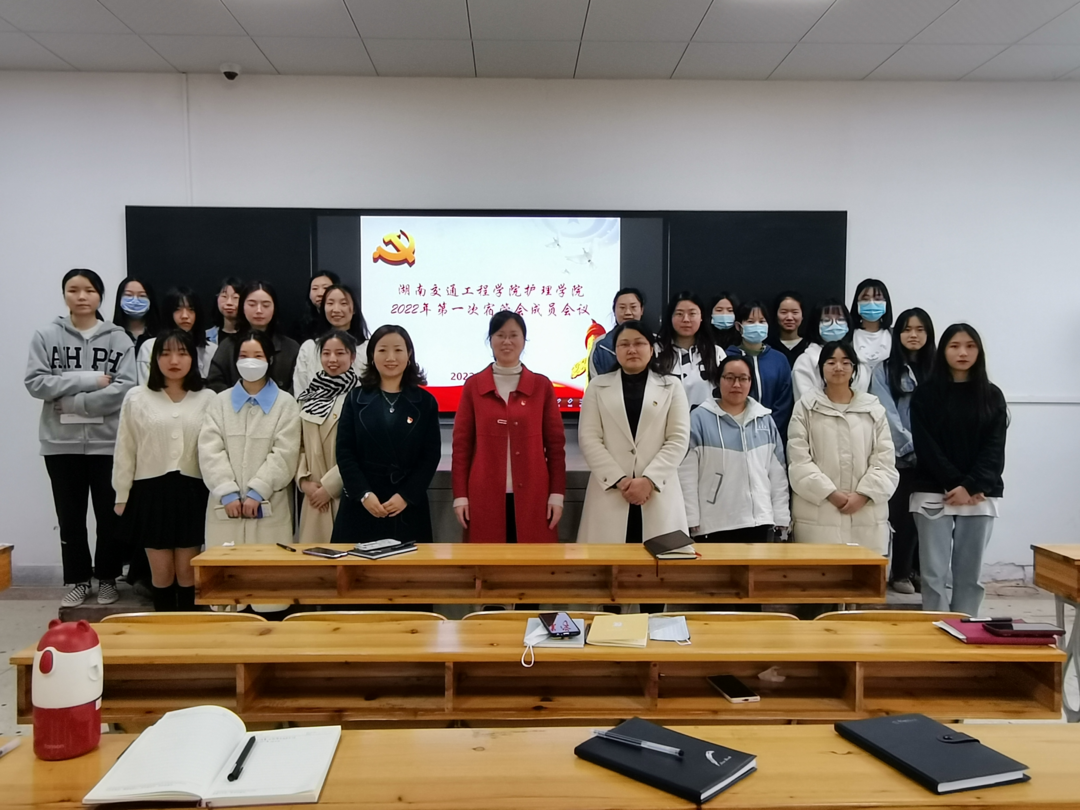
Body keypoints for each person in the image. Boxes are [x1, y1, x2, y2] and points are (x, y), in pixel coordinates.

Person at [25, 269, 136, 607]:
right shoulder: (46, 335)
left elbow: (126, 387)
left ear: (100, 295)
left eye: (89, 290)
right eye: (73, 290)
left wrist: (76, 402)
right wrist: (88, 380)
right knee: (70, 518)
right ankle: (77, 579)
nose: (82, 296)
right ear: (64, 295)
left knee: (109, 516)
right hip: (60, 444)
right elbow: (36, 382)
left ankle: (107, 578)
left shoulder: (118, 338)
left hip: (107, 444)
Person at [113, 329, 215, 612]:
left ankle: (189, 627)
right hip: (150, 493)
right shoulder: (137, 397)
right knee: (161, 574)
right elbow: (125, 448)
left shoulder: (208, 398)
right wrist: (121, 494)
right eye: (166, 353)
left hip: (193, 492)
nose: (174, 360)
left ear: (193, 358)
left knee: (187, 572)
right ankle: (164, 627)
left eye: (182, 353)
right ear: (155, 359)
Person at [910, 324, 1007, 616]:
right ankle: (936, 632)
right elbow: (926, 446)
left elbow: (994, 448)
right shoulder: (925, 394)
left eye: (970, 346)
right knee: (933, 574)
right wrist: (955, 483)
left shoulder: (991, 395)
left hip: (979, 494)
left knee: (969, 576)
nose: (962, 352)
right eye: (954, 346)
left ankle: (966, 629)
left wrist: (972, 485)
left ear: (979, 351)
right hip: (933, 491)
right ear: (943, 351)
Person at [452, 312, 566, 543]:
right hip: (483, 494)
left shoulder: (541, 386)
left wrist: (557, 494)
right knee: (487, 559)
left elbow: (555, 447)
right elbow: (461, 447)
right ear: (490, 340)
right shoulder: (474, 386)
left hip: (534, 495)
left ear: (524, 340)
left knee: (533, 559)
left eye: (514, 335)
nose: (507, 341)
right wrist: (460, 496)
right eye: (500, 335)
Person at [577, 320, 690, 544]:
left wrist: (649, 480)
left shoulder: (671, 386)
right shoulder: (597, 387)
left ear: (651, 349)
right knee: (606, 562)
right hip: (611, 491)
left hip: (657, 492)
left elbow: (678, 439)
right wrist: (620, 481)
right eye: (624, 344)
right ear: (615, 350)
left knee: (662, 561)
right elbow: (589, 439)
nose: (631, 349)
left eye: (639, 343)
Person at [333, 326, 442, 544]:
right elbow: (345, 452)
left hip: (407, 506)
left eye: (398, 350)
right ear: (372, 356)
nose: (391, 357)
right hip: (363, 504)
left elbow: (430, 456)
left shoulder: (425, 402)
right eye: (382, 350)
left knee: (407, 565)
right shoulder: (355, 399)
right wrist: (363, 494)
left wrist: (406, 496)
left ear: (409, 355)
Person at [787, 342, 898, 554]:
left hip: (866, 514)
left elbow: (885, 460)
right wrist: (831, 493)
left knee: (865, 573)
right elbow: (798, 460)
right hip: (819, 512)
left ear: (854, 368)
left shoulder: (873, 408)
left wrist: (863, 494)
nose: (838, 367)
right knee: (819, 571)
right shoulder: (806, 407)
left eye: (846, 362)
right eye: (831, 362)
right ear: (821, 368)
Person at [198, 330, 301, 551]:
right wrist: (226, 491)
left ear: (269, 359)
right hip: (225, 508)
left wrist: (258, 491)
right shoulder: (219, 402)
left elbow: (285, 454)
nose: (250, 362)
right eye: (243, 356)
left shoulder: (286, 404)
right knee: (223, 567)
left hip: (269, 506)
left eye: (258, 356)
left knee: (267, 566)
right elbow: (209, 450)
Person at [679, 355, 789, 542]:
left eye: (743, 378)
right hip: (714, 523)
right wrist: (690, 516)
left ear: (750, 382)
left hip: (759, 521)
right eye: (729, 378)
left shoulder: (764, 419)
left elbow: (777, 474)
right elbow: (686, 474)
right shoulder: (698, 419)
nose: (736, 384)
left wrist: (781, 515)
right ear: (718, 380)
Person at [870, 308, 936, 595]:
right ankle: (900, 572)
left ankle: (923, 571)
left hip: (936, 459)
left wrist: (935, 452)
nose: (913, 335)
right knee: (903, 517)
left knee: (932, 516)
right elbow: (887, 415)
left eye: (920, 329)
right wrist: (912, 447)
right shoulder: (884, 370)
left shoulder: (939, 370)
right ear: (897, 334)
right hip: (903, 458)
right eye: (907, 329)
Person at [294, 330, 360, 544]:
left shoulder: (361, 397)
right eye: (326, 353)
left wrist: (330, 487)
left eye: (340, 353)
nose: (332, 359)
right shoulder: (307, 397)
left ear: (352, 357)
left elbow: (362, 450)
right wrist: (304, 481)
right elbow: (298, 444)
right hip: (313, 496)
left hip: (346, 492)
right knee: (313, 559)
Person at [206, 281, 301, 394]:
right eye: (252, 304)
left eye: (266, 305)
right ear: (242, 306)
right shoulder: (228, 345)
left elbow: (298, 386)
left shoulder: (290, 347)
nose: (259, 310)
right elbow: (214, 382)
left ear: (274, 308)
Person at [726, 300, 793, 438]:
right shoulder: (727, 358)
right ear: (738, 326)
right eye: (750, 322)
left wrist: (768, 429)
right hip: (734, 432)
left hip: (773, 433)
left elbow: (785, 401)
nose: (757, 325)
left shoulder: (779, 359)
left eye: (762, 321)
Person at [293, 283, 369, 395]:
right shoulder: (310, 348)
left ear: (354, 309)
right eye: (330, 303)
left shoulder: (367, 349)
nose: (336, 309)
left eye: (343, 303)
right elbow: (300, 391)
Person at [791, 298, 870, 402]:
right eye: (826, 320)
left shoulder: (860, 360)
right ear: (815, 324)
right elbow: (806, 402)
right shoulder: (805, 362)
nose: (834, 324)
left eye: (840, 319)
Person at [655, 291, 723, 410]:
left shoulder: (716, 353)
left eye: (692, 314)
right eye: (679, 314)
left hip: (705, 420)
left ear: (701, 317)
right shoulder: (654, 351)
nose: (686, 319)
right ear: (670, 317)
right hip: (664, 420)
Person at [136, 287, 217, 385]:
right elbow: (146, 386)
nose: (185, 316)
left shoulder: (211, 350)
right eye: (177, 309)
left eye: (191, 309)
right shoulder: (150, 347)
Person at [588, 287, 645, 379]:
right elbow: (596, 384)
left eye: (633, 307)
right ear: (614, 311)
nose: (628, 312)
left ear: (641, 310)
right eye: (622, 308)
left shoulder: (655, 343)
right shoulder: (602, 346)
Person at [851, 278, 894, 376]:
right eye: (865, 299)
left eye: (878, 299)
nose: (871, 303)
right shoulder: (847, 336)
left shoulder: (895, 335)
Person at [112, 276, 160, 353]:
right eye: (128, 295)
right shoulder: (111, 335)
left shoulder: (161, 335)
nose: (135, 301)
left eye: (142, 296)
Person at [766, 290, 811, 366]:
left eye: (795, 312)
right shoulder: (768, 347)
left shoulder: (810, 346)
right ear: (776, 315)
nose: (789, 318)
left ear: (802, 316)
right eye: (784, 312)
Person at [295, 271, 341, 342]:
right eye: (315, 288)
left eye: (325, 288)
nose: (320, 294)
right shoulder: (300, 326)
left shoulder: (345, 321)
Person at [206, 277, 241, 345]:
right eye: (224, 296)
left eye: (235, 297)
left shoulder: (251, 337)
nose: (229, 303)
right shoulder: (206, 337)